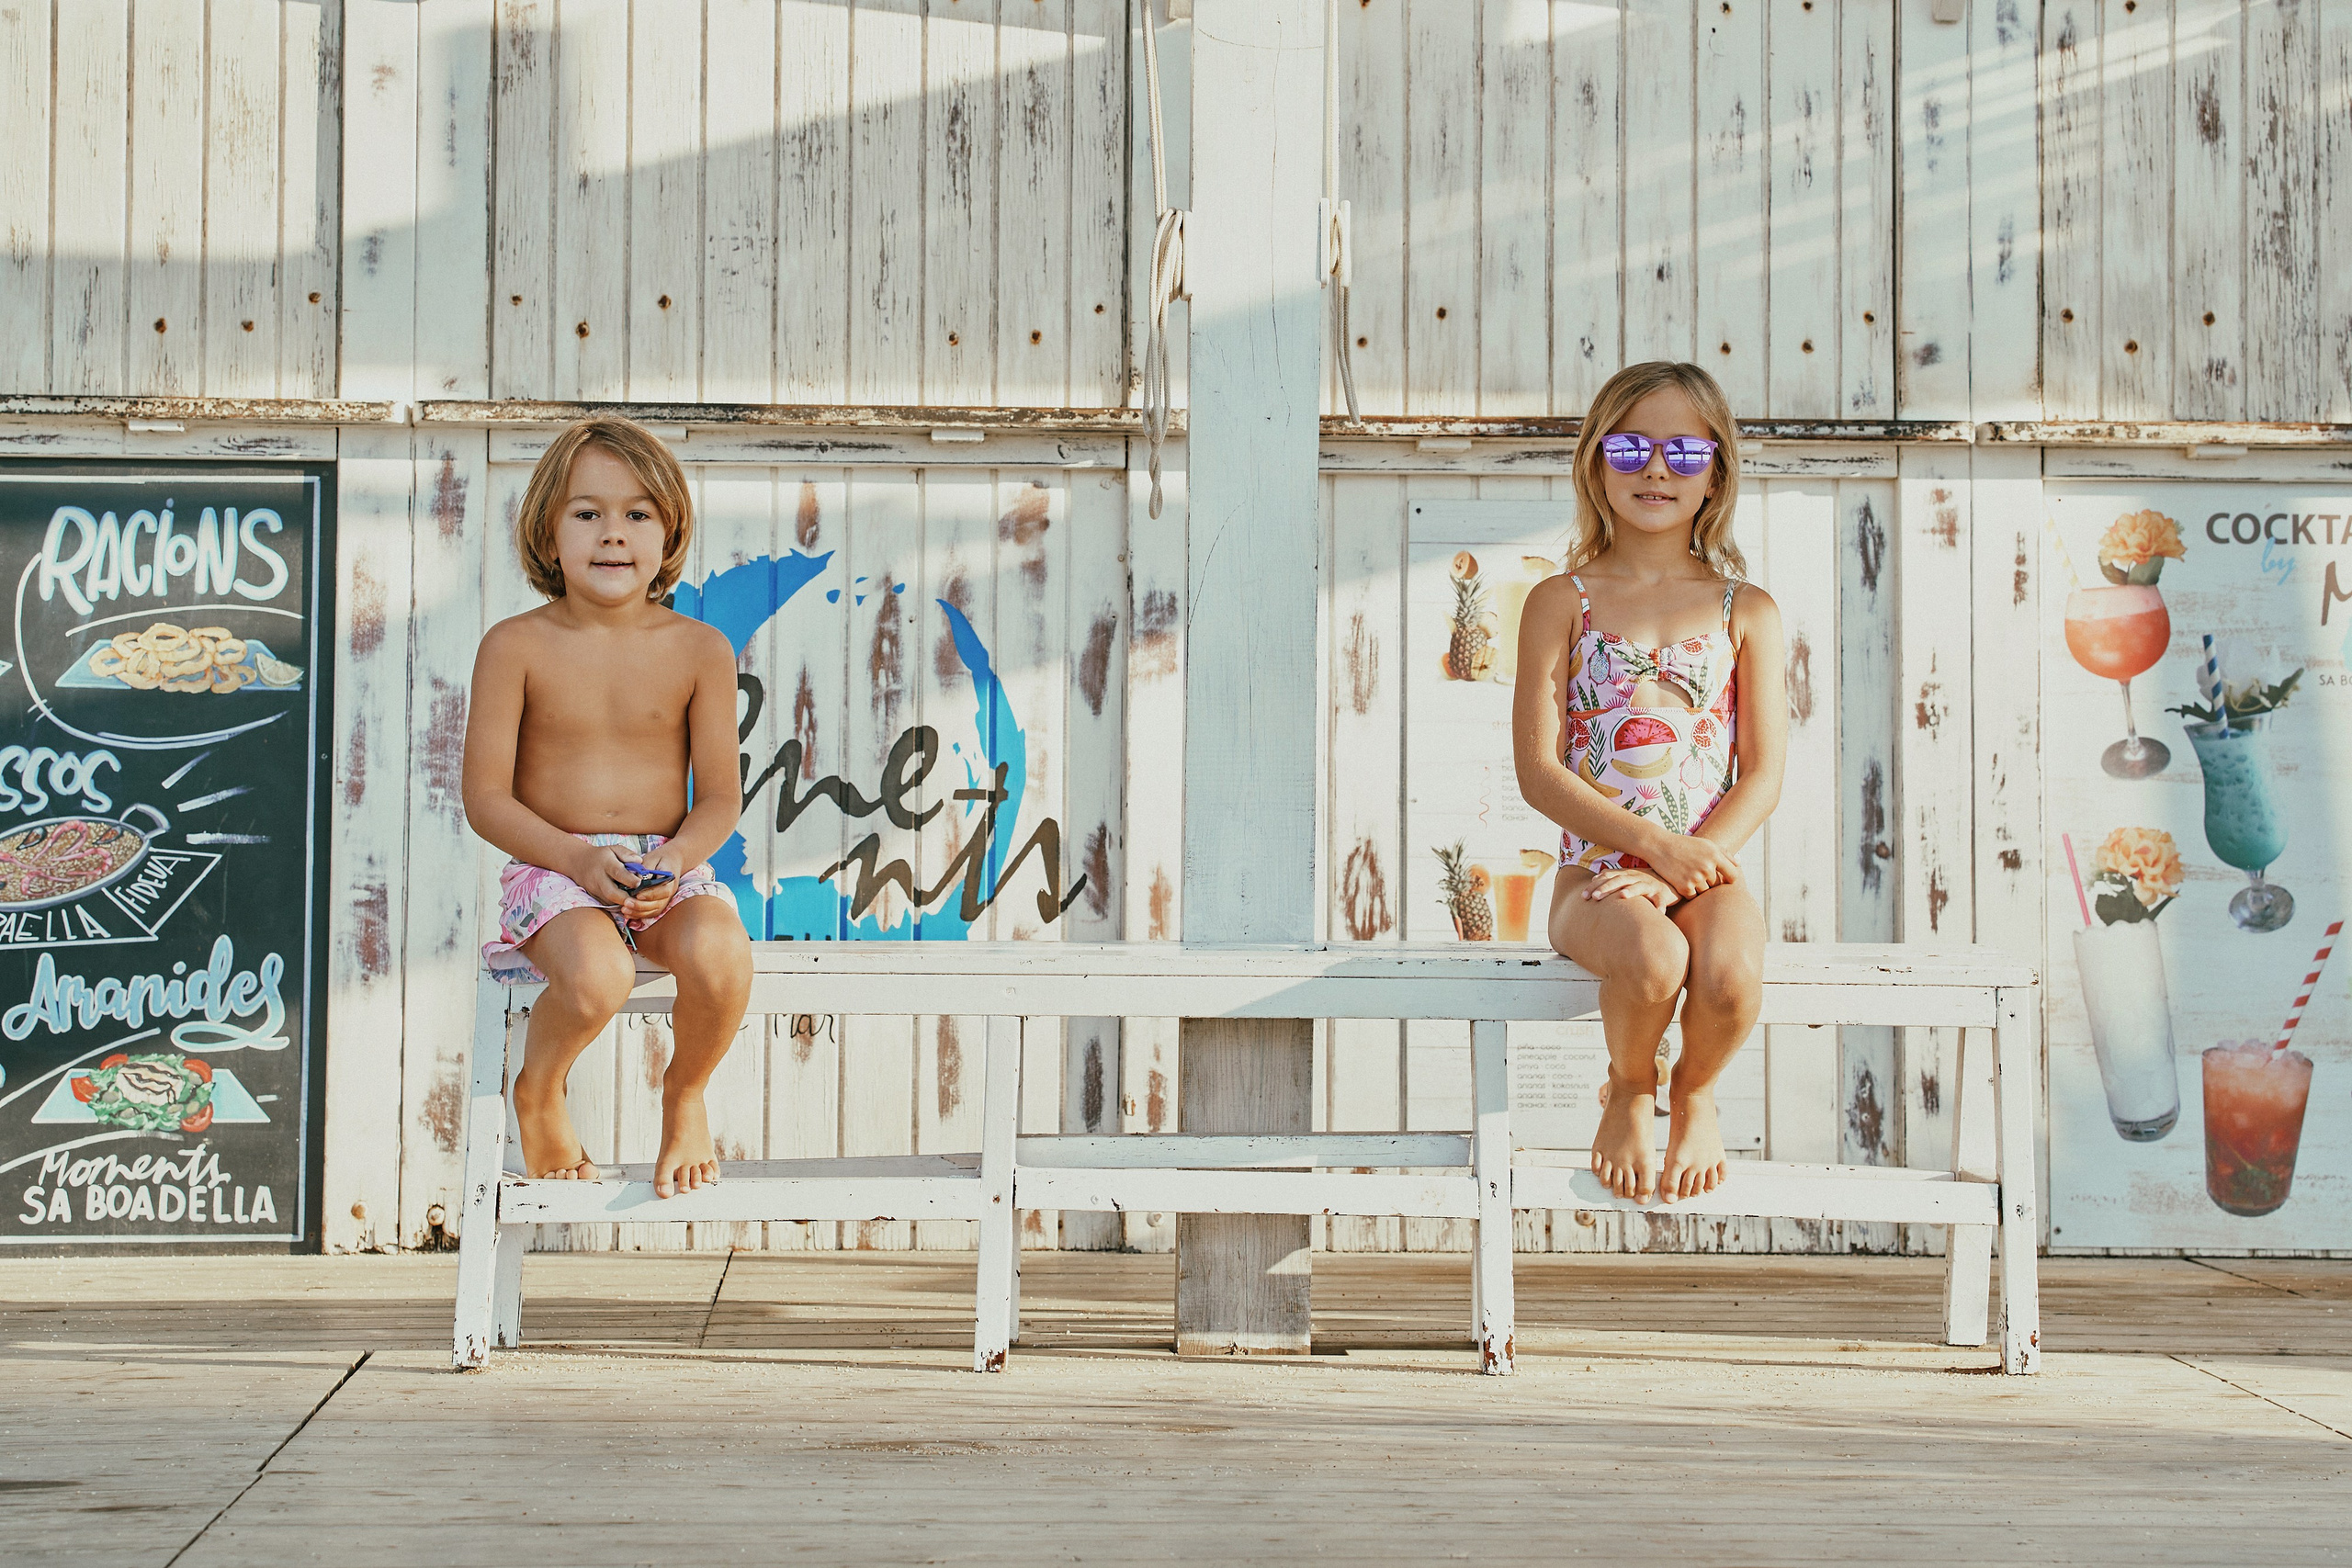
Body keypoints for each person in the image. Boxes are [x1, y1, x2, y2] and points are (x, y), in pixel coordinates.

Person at [1511, 362, 1786, 1205]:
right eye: (1630, 448)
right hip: (1596, 875)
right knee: (1653, 957)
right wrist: (1649, 847)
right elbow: (1539, 771)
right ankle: (1631, 1084)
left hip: (1705, 872)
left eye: (1683, 451)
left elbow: (1763, 773)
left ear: (1716, 473)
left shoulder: (1748, 610)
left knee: (1731, 973)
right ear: (1596, 463)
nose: (1656, 469)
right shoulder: (1561, 601)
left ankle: (1694, 1091)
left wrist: (1680, 867)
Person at [461, 416, 752, 1198]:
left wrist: (677, 859)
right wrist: (579, 859)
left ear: (670, 532)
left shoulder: (701, 650)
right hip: (556, 869)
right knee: (598, 975)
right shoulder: (514, 646)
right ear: (548, 533)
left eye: (637, 513)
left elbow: (719, 796)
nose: (613, 533)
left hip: (661, 866)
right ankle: (539, 1088)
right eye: (587, 512)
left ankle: (685, 1092)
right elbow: (485, 798)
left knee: (723, 956)